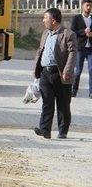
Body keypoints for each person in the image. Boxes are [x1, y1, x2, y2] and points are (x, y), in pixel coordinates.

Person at [33, 8, 77, 139]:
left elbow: (73, 53)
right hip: (46, 73)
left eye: (45, 18)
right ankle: (45, 130)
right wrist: (36, 69)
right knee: (47, 102)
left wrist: (67, 71)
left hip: (61, 74)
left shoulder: (68, 34)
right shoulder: (46, 33)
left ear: (53, 20)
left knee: (63, 104)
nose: (43, 20)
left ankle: (62, 131)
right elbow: (41, 50)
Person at [70, 0, 92, 98]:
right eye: (87, 5)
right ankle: (74, 90)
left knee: (91, 70)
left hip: (90, 48)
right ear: (83, 6)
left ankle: (91, 92)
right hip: (80, 48)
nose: (89, 7)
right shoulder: (76, 18)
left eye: (90, 6)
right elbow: (73, 31)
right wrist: (84, 32)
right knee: (78, 70)